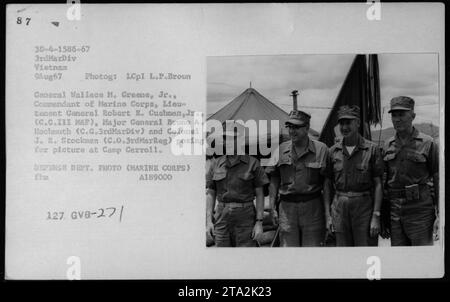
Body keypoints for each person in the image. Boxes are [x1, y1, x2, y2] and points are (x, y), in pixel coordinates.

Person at [266, 110, 332, 247]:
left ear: (307, 128)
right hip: (287, 210)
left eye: (296, 127)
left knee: (312, 252)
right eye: (289, 127)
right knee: (289, 253)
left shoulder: (321, 149)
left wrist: (327, 214)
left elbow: (327, 184)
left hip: (313, 208)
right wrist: (272, 208)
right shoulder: (280, 150)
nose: (292, 131)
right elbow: (274, 180)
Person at [383, 96, 439, 246]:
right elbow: (383, 180)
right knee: (400, 260)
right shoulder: (387, 144)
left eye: (402, 114)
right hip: (395, 210)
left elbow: (437, 176)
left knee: (421, 257)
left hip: (420, 209)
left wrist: (440, 213)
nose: (397, 119)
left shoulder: (427, 143)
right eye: (394, 115)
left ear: (412, 116)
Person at [327, 105, 384, 246]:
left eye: (348, 123)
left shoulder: (371, 149)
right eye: (342, 123)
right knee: (343, 255)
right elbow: (327, 184)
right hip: (339, 209)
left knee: (365, 252)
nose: (344, 127)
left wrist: (376, 216)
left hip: (364, 208)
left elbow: (378, 184)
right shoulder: (333, 151)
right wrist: (328, 216)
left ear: (357, 123)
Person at [205, 128, 269, 247]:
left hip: (245, 217)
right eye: (225, 138)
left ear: (240, 140)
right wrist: (208, 221)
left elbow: (260, 194)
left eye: (232, 138)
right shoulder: (216, 164)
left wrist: (259, 223)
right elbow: (210, 192)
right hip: (221, 217)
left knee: (245, 255)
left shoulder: (253, 163)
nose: (228, 142)